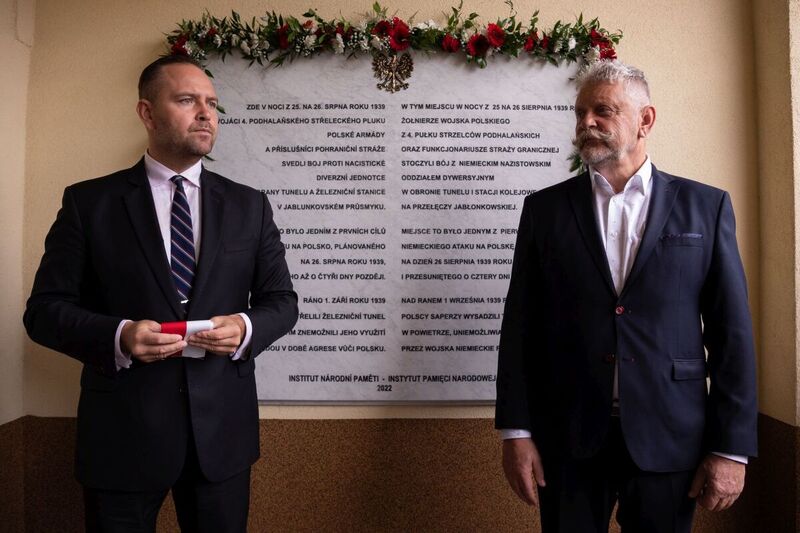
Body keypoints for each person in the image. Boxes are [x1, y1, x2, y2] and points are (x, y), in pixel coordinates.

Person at [24, 54, 298, 532]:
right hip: (121, 435)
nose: (206, 113)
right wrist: (121, 336)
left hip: (221, 437)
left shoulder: (249, 205)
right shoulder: (89, 204)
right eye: (187, 100)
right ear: (147, 113)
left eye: (212, 103)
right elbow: (44, 312)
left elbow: (282, 302)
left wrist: (244, 327)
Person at [495, 60, 757, 532]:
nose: (585, 123)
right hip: (569, 439)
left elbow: (731, 335)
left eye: (602, 110)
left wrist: (730, 448)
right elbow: (519, 329)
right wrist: (516, 432)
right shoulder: (544, 211)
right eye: (580, 112)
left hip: (672, 438)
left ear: (646, 120)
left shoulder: (706, 207)